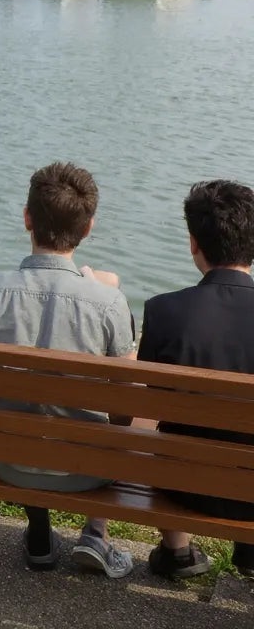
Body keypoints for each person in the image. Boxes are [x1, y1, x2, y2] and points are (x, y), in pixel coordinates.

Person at [0, 162, 136, 578]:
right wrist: (105, 291)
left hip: (5, 460)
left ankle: (39, 531)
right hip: (85, 473)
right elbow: (125, 410)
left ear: (27, 218)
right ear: (88, 227)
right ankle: (96, 534)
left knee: (25, 415)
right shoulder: (108, 302)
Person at [139, 180, 254, 580]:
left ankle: (177, 551)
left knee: (169, 431)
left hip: (183, 485)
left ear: (193, 243)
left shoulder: (163, 311)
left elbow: (151, 405)